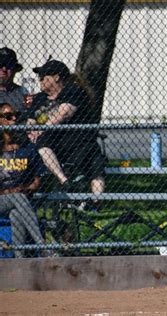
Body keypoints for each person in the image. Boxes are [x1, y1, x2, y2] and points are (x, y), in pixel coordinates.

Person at [27, 59, 106, 195]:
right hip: (52, 144)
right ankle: (65, 181)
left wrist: (41, 129)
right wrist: (31, 130)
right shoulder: (39, 98)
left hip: (78, 143)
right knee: (42, 144)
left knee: (95, 163)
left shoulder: (73, 90)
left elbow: (64, 113)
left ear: (56, 77)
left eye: (43, 76)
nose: (40, 79)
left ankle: (96, 203)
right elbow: (30, 119)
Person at [0, 102, 51, 258]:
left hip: (20, 200)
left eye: (16, 116)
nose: (14, 119)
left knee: (16, 213)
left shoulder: (27, 148)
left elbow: (37, 179)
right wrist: (9, 192)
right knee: (18, 197)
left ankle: (19, 260)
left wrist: (29, 188)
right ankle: (42, 245)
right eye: (8, 116)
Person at [0, 47, 29, 116]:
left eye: (8, 65)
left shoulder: (22, 92)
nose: (4, 69)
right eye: (0, 64)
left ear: (15, 69)